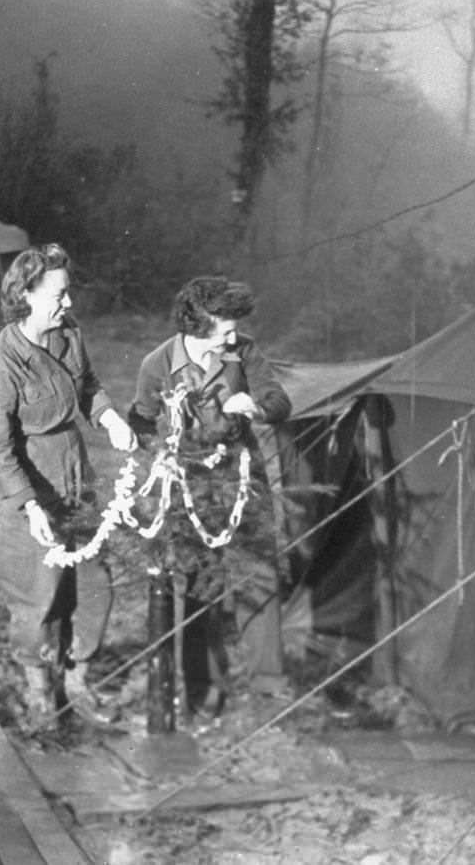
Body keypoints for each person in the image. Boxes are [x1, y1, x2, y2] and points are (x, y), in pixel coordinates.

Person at [0, 243, 137, 729]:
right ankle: (40, 695)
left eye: (69, 293)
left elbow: (87, 385)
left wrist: (109, 417)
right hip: (26, 495)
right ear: (25, 294)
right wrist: (29, 506)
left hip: (74, 481)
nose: (69, 304)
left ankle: (77, 681)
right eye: (59, 295)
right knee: (37, 597)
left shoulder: (68, 335)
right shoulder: (0, 366)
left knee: (93, 588)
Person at [128, 276, 290, 717]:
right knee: (200, 584)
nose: (232, 337)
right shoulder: (157, 364)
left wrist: (255, 408)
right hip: (189, 486)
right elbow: (141, 420)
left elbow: (279, 400)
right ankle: (204, 693)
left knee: (259, 575)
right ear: (195, 326)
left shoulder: (245, 353)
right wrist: (156, 447)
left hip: (242, 479)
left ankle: (270, 692)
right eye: (223, 330)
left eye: (235, 328)